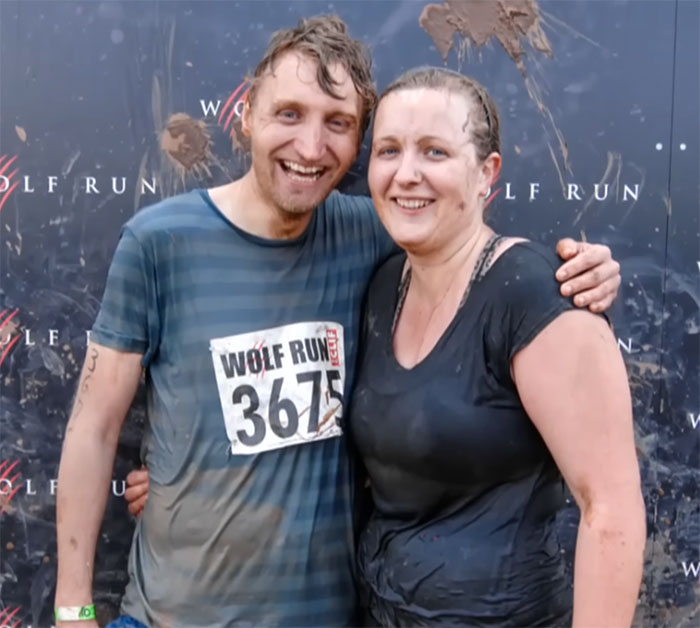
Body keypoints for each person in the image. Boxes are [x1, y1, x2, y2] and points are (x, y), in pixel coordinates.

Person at [55, 16, 622, 628]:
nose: (310, 146)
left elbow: (467, 248)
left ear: (357, 145)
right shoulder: (157, 243)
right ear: (245, 114)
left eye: (340, 124)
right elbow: (94, 425)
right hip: (169, 616)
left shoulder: (377, 236)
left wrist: (582, 274)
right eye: (289, 113)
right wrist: (73, 606)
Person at [349, 67, 646, 627]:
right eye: (389, 150)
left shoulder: (535, 294)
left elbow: (611, 512)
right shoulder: (384, 284)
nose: (406, 174)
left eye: (434, 152)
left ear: (487, 173)